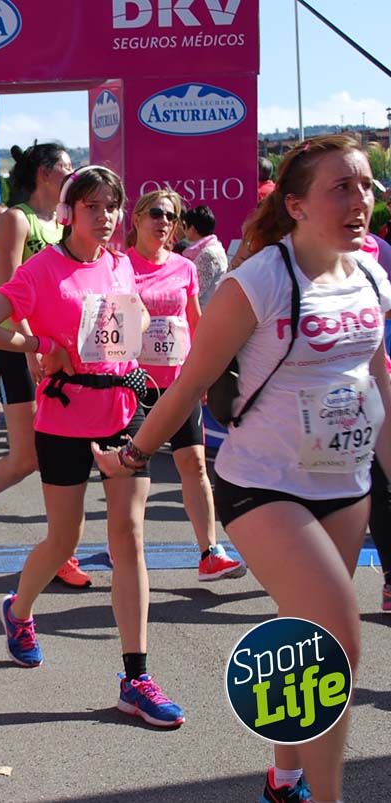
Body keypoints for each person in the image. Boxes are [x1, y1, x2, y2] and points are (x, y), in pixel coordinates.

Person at [94, 134, 389, 803]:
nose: (359, 200)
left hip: (345, 484)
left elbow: (378, 381)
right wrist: (133, 453)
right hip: (263, 485)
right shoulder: (258, 282)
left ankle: (285, 777)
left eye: (365, 186)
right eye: (341, 187)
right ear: (296, 205)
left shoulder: (372, 276)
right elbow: (190, 383)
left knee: (309, 638)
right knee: (341, 638)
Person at [0, 165, 187, 728]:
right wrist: (41, 343)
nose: (105, 216)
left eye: (112, 206)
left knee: (129, 538)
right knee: (63, 539)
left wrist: (140, 346)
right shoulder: (43, 268)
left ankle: (136, 677)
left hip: (123, 412)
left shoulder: (119, 263)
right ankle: (18, 611)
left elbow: (132, 322)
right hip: (64, 420)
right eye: (92, 206)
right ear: (69, 213)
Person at [0, 143, 91, 589]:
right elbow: (11, 289)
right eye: (67, 167)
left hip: (66, 351)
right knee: (28, 456)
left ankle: (62, 549)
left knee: (66, 453)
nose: (73, 174)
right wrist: (33, 348)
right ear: (46, 173)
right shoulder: (18, 219)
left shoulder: (66, 220)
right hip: (22, 348)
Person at [127, 190, 246, 581]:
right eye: (156, 213)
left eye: (171, 216)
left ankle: (210, 553)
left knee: (193, 463)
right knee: (133, 473)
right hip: (135, 386)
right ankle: (126, 551)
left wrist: (202, 373)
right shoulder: (120, 266)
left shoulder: (184, 267)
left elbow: (195, 322)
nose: (163, 221)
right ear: (137, 218)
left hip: (178, 384)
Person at [180, 205, 229, 308]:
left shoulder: (207, 254)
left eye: (184, 226)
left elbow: (195, 292)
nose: (183, 230)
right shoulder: (215, 247)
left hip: (204, 312)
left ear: (192, 228)